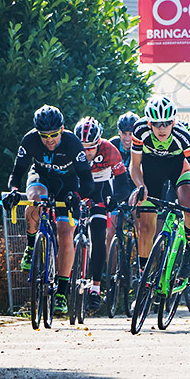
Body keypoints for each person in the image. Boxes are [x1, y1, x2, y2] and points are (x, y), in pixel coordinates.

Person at [2, 105, 94, 315]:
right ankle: (31, 246)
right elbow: (16, 175)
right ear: (37, 133)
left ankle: (61, 291)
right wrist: (15, 191)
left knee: (65, 234)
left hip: (67, 185)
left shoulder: (72, 143)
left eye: (54, 134)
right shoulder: (30, 140)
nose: (50, 140)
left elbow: (88, 182)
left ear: (62, 129)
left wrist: (77, 196)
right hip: (41, 178)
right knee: (35, 199)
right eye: (45, 136)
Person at [129, 96, 190, 281]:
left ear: (173, 121)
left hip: (179, 168)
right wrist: (141, 186)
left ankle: (189, 247)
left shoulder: (182, 136)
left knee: (188, 204)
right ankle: (144, 277)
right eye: (157, 124)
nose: (162, 128)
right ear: (149, 123)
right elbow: (134, 166)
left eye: (166, 123)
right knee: (146, 226)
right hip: (151, 171)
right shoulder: (140, 131)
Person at [74, 117, 130, 312]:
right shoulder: (72, 149)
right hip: (78, 189)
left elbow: (123, 184)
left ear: (98, 143)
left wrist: (115, 199)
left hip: (100, 192)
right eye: (83, 148)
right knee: (65, 231)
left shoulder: (109, 150)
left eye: (91, 147)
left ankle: (96, 288)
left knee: (99, 236)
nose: (87, 152)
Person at [106, 111, 139, 255]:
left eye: (131, 134)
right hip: (118, 188)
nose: (127, 138)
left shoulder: (142, 147)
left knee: (141, 223)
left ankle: (141, 263)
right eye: (124, 133)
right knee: (110, 231)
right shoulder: (112, 145)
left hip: (135, 188)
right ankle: (109, 273)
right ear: (119, 133)